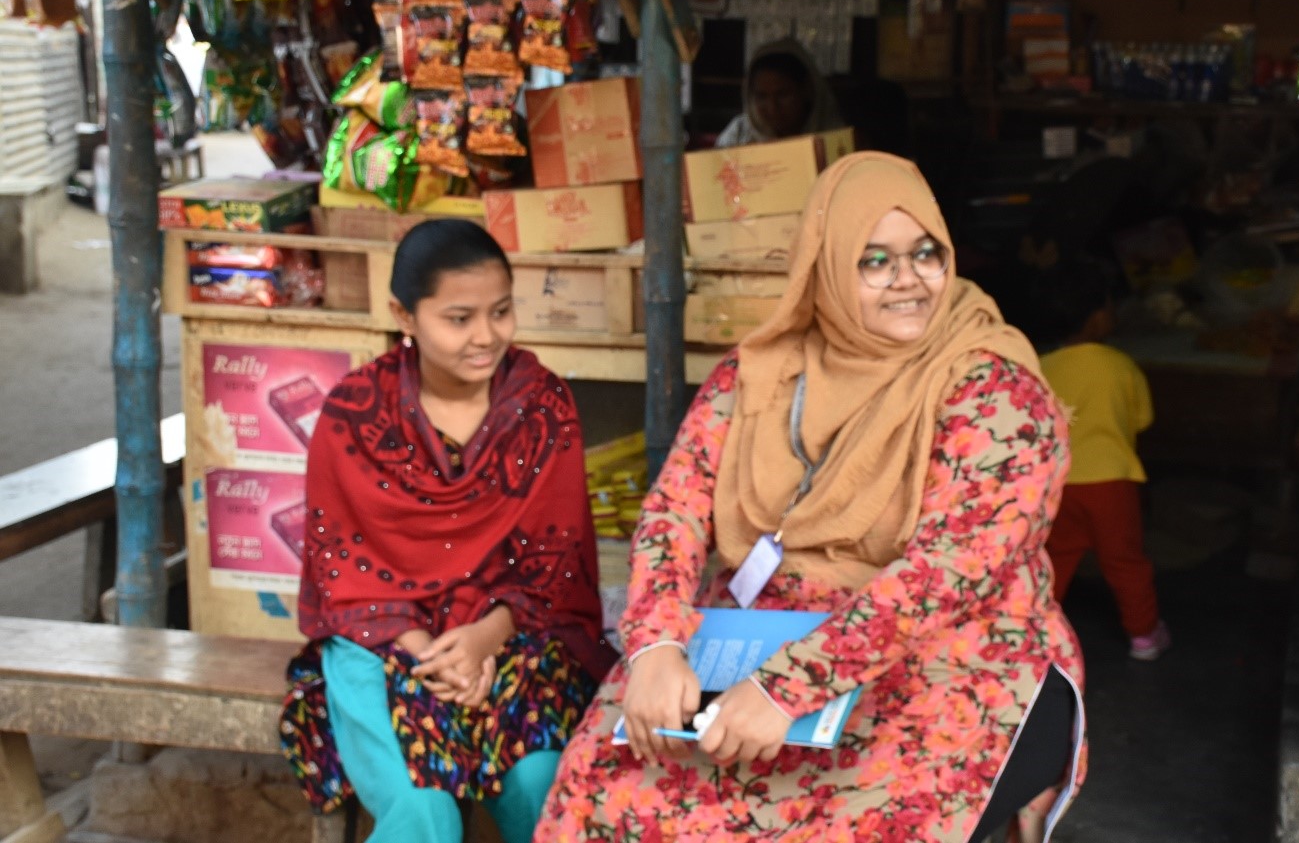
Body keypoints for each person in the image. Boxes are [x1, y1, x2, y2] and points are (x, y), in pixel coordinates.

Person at [535, 152, 1086, 842]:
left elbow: (944, 574)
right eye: (873, 261)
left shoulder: (996, 390)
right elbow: (676, 504)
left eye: (925, 253)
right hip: (756, 633)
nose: (909, 280)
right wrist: (653, 644)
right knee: (608, 786)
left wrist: (783, 690)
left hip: (945, 652)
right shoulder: (765, 369)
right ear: (825, 264)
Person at [279, 219, 615, 843]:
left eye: (501, 312)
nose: (485, 337)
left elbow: (555, 565)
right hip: (380, 641)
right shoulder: (354, 415)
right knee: (422, 811)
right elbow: (342, 573)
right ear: (404, 316)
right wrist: (435, 655)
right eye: (459, 319)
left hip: (514, 638)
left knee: (546, 788)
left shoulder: (544, 409)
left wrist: (485, 639)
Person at [1035, 258, 1169, 661]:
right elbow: (1143, 418)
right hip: (1112, 483)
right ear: (1097, 318)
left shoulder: (1040, 367)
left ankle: (1035, 639)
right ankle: (1144, 637)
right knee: (1125, 561)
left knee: (1054, 560)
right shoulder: (1120, 366)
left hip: (1057, 484)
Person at [715, 37, 844, 148]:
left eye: (783, 95)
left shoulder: (835, 138)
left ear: (807, 89)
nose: (772, 108)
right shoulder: (738, 135)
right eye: (762, 96)